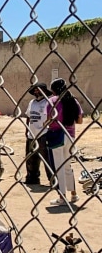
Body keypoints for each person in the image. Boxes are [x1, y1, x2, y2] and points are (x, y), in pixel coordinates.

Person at [46, 78, 82, 208]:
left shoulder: (52, 101)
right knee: (67, 166)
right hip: (71, 136)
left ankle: (62, 197)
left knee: (59, 167)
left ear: (53, 90)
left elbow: (50, 120)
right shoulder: (73, 101)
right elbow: (79, 121)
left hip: (57, 137)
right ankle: (73, 194)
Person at [24, 83, 52, 185]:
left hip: (43, 133)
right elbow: (28, 116)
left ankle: (52, 179)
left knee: (47, 159)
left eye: (38, 90)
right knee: (31, 159)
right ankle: (32, 178)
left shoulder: (48, 102)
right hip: (32, 134)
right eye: (35, 90)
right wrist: (26, 129)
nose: (36, 92)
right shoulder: (32, 102)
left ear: (44, 91)